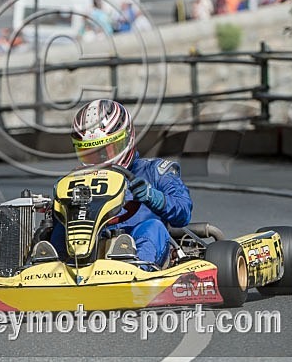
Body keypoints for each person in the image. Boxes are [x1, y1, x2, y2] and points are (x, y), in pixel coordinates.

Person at [50, 99, 193, 268]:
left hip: (138, 245)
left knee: (153, 227)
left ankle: (138, 269)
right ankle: (51, 269)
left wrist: (154, 197)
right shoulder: (76, 181)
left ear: (126, 140)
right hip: (89, 246)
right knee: (59, 230)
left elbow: (183, 212)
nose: (99, 161)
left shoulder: (155, 171)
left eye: (105, 151)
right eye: (89, 153)